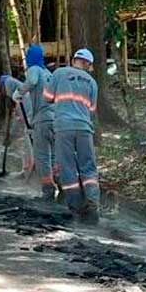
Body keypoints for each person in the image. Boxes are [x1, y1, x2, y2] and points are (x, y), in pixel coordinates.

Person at [48, 48, 99, 218]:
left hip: (63, 127)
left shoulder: (59, 73)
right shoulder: (92, 82)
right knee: (88, 167)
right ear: (88, 64)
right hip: (84, 128)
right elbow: (91, 109)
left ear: (74, 59)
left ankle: (75, 206)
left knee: (67, 167)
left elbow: (47, 97)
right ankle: (93, 201)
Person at [15, 44, 56, 200]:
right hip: (55, 119)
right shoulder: (48, 73)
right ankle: (60, 188)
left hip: (42, 119)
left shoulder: (34, 70)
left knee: (42, 156)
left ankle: (48, 191)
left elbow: (31, 81)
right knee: (53, 156)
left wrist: (19, 92)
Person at [0, 73, 35, 174]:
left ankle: (29, 173)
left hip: (32, 124)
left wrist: (10, 137)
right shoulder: (23, 94)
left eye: (2, 90)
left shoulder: (21, 98)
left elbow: (19, 122)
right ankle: (28, 171)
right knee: (29, 147)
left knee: (29, 148)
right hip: (33, 123)